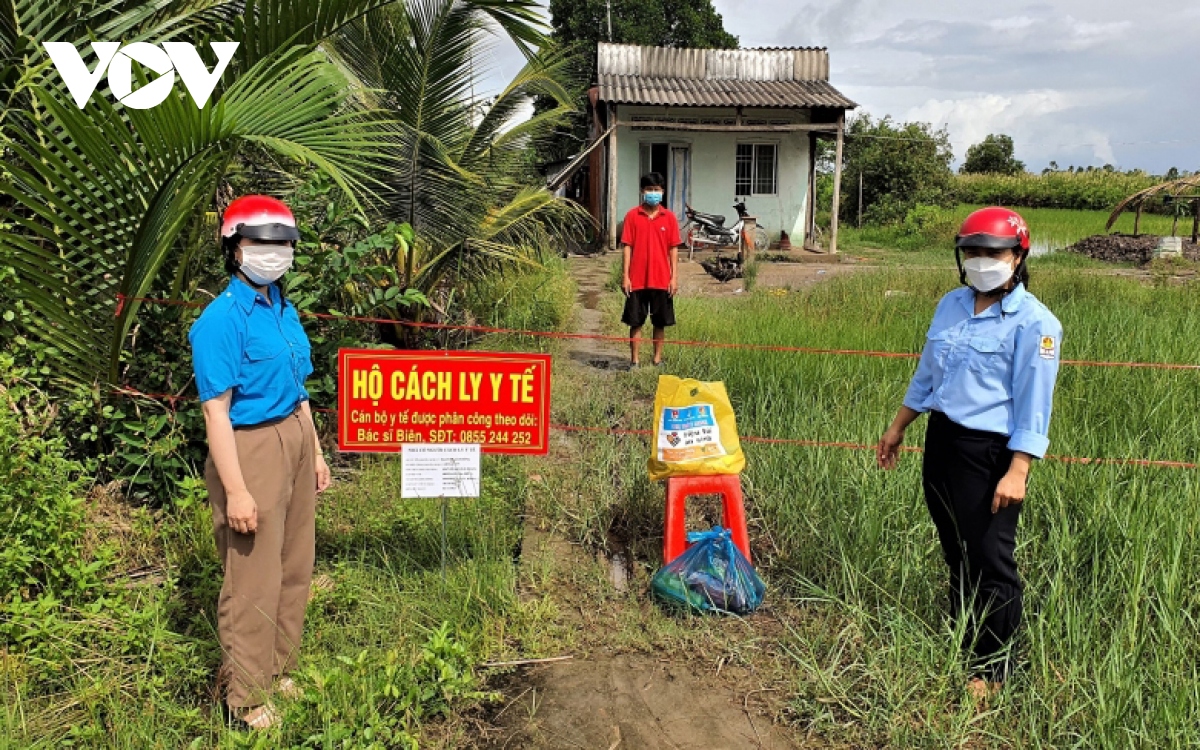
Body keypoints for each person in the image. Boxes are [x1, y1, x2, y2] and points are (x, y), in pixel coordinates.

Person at [876, 207, 1062, 701]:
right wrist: (899, 427)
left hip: (992, 453)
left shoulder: (1036, 323)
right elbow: (928, 372)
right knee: (954, 548)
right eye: (973, 251)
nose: (982, 260)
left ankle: (993, 668)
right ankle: (963, 635)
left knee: (990, 559)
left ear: (1018, 256)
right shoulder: (952, 305)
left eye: (994, 252)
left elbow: (1034, 402)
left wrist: (1018, 468)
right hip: (942, 439)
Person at [188, 195, 332, 729]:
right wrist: (238, 490)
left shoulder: (282, 308)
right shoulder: (221, 321)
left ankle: (280, 668)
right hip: (249, 447)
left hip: (294, 438)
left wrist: (315, 452)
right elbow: (216, 413)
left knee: (295, 566)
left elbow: (299, 392)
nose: (272, 253)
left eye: (282, 243)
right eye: (258, 242)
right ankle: (246, 697)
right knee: (252, 576)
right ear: (234, 248)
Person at [620, 172, 683, 368]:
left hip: (661, 279)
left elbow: (673, 249)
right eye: (649, 190)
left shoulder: (669, 217)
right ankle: (634, 361)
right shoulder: (632, 216)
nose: (653, 193)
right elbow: (627, 246)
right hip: (637, 279)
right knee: (635, 322)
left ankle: (657, 359)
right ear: (642, 191)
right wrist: (625, 276)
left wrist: (674, 278)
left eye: (656, 190)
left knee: (660, 322)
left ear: (662, 192)